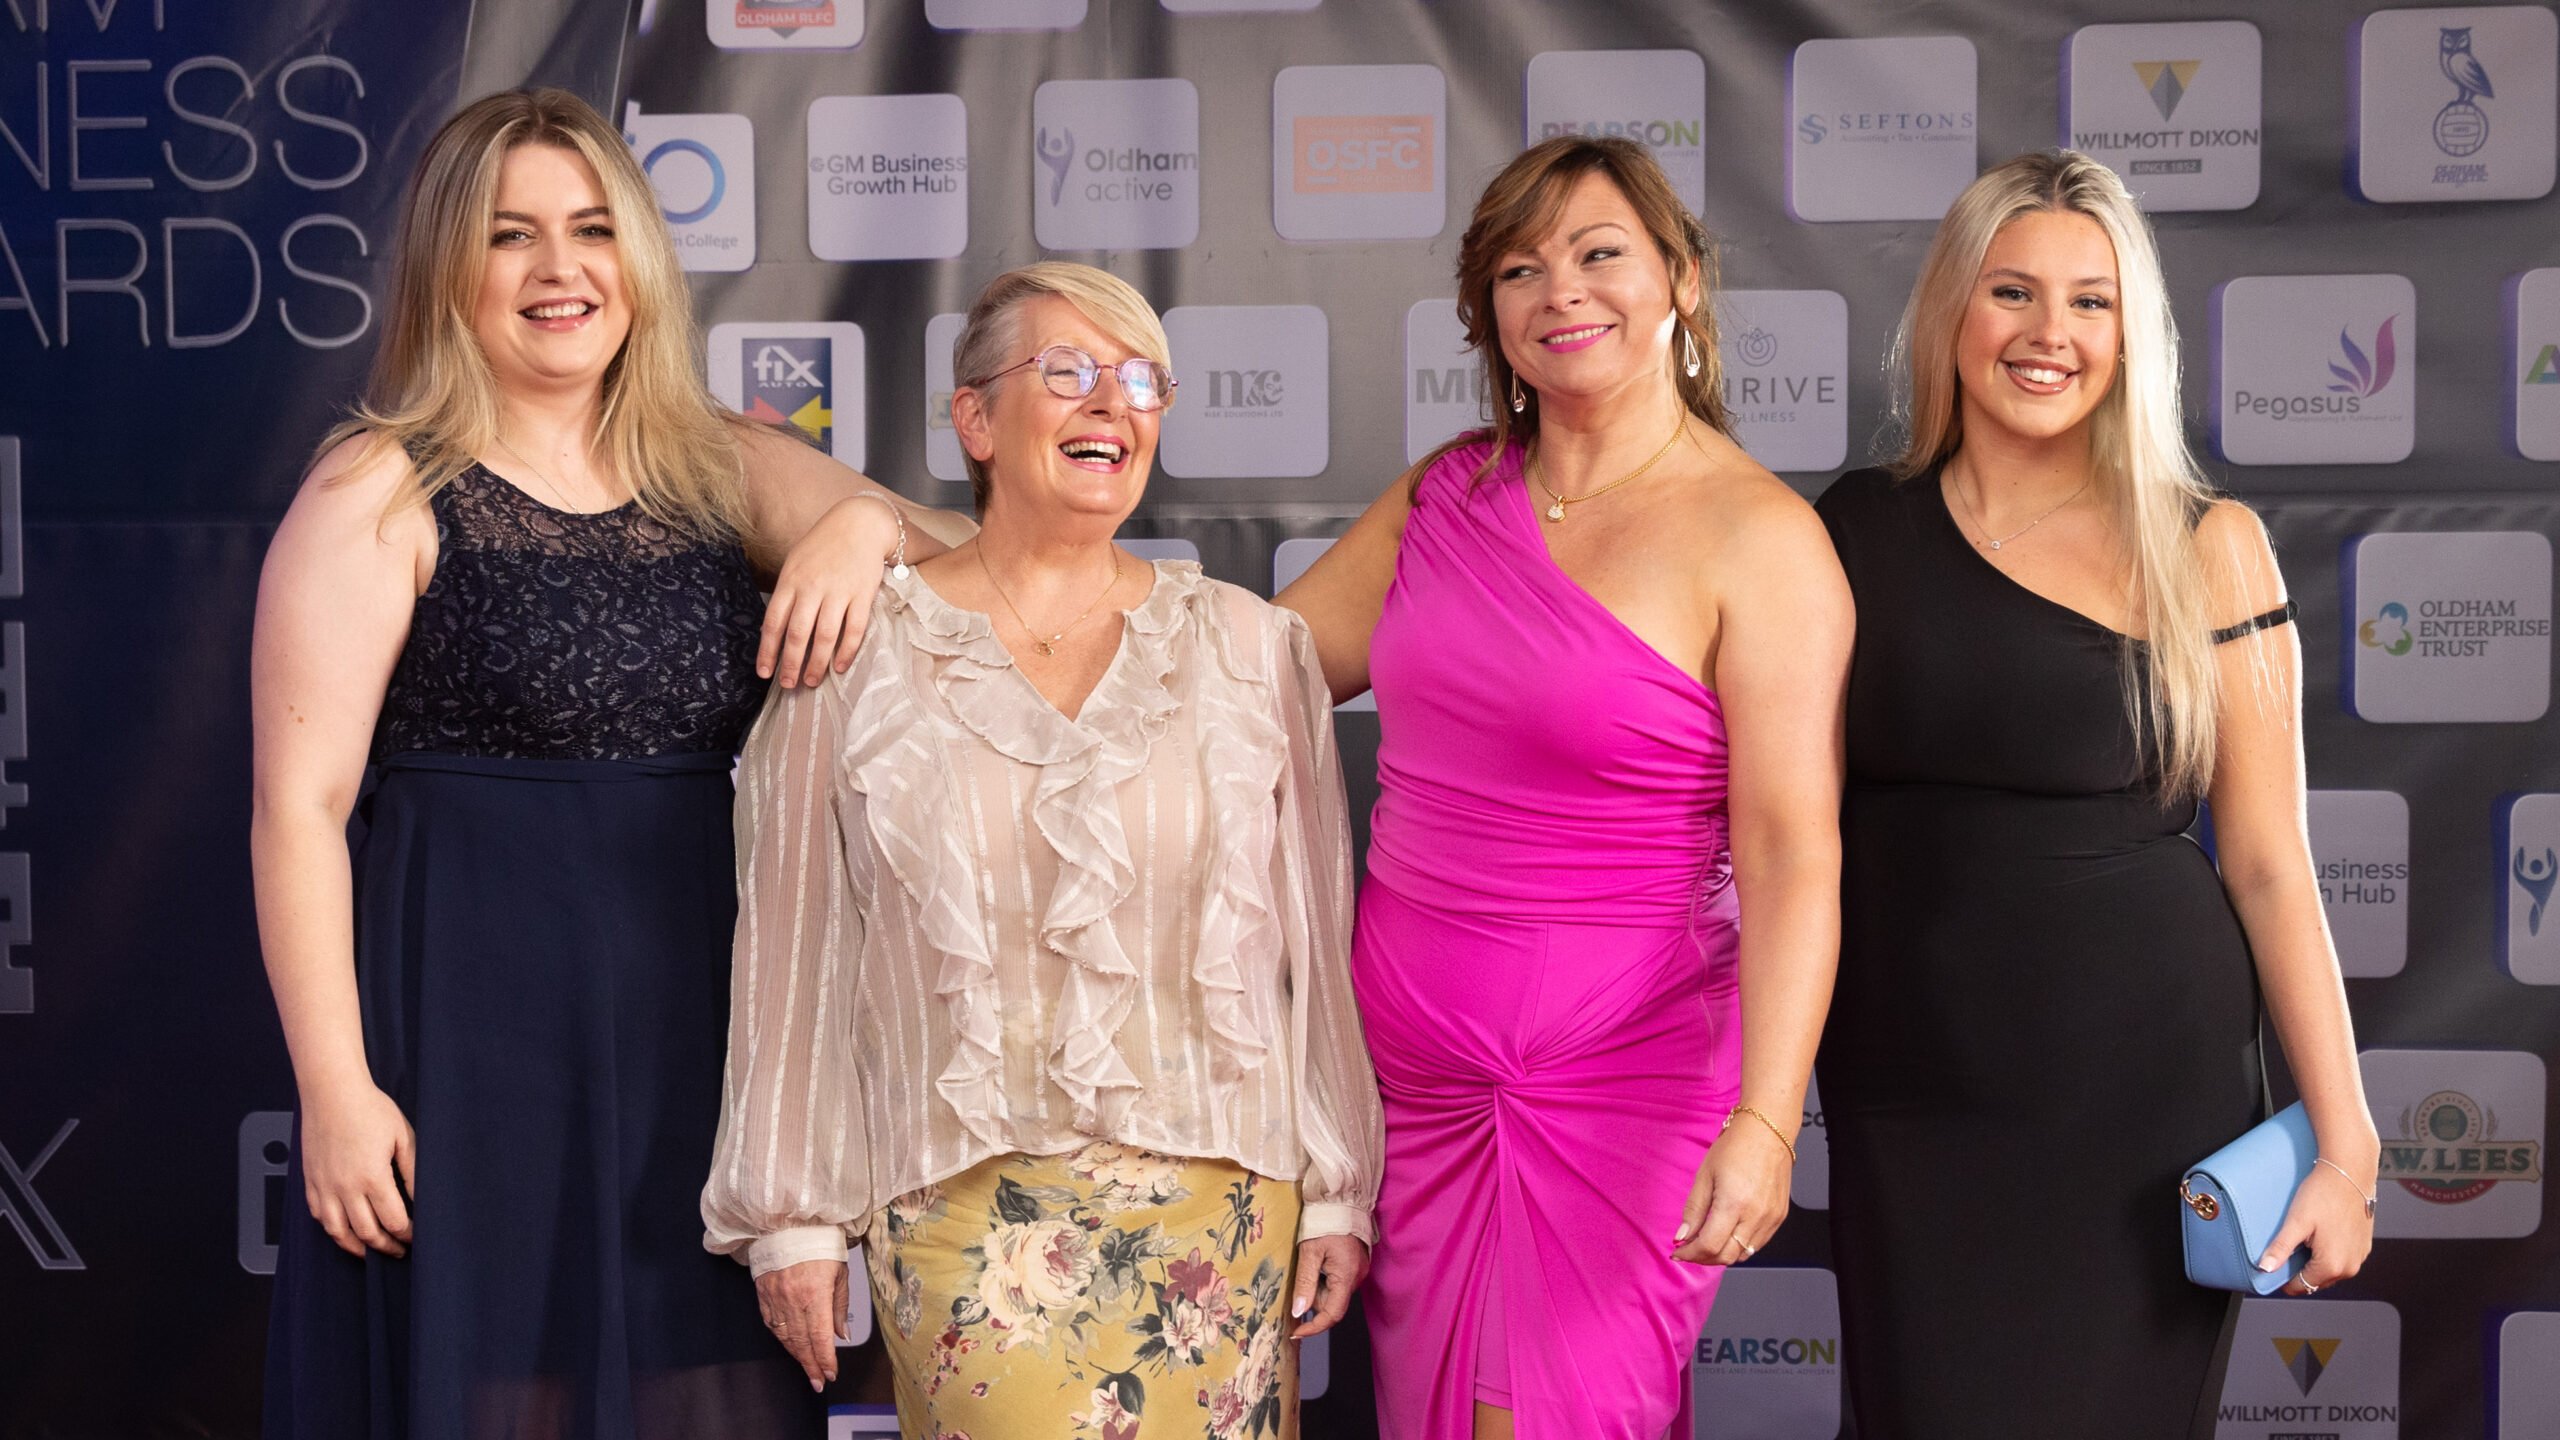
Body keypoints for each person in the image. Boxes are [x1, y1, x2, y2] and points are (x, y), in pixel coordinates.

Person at [250, 88, 970, 1440]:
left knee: (703, 1394)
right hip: (469, 1041)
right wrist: (335, 1092)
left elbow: (964, 556)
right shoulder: (381, 486)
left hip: (700, 1039)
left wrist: (861, 523)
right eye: (512, 236)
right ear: (449, 267)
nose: (560, 270)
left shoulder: (724, 468)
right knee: (490, 1386)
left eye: (591, 230)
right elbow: (299, 809)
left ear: (639, 258)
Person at [701, 261, 1385, 1438]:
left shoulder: (1246, 650)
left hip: (1220, 1220)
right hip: (965, 1221)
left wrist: (1335, 1189)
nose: (1108, 404)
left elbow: (1312, 946)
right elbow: (794, 945)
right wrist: (793, 1215)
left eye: (1138, 381)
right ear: (975, 418)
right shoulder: (860, 651)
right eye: (1064, 371)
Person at [1277, 136, 1851, 1440]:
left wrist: (1767, 1119)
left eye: (1601, 255)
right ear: (1488, 311)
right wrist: (991, 571)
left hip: (1622, 1081)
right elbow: (1253, 669)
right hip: (1409, 1085)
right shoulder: (1445, 496)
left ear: (1683, 284)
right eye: (1522, 269)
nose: (1561, 292)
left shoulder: (1761, 539)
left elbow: (1791, 855)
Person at [1813, 150, 2379, 1437]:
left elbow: (2271, 865)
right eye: (2011, 292)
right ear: (1951, 308)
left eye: (2090, 300)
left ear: (2133, 334)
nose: (2047, 334)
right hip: (1908, 1083)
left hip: (2135, 1093)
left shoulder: (2206, 543)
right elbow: (1771, 818)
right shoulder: (1849, 529)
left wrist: (2347, 1149)